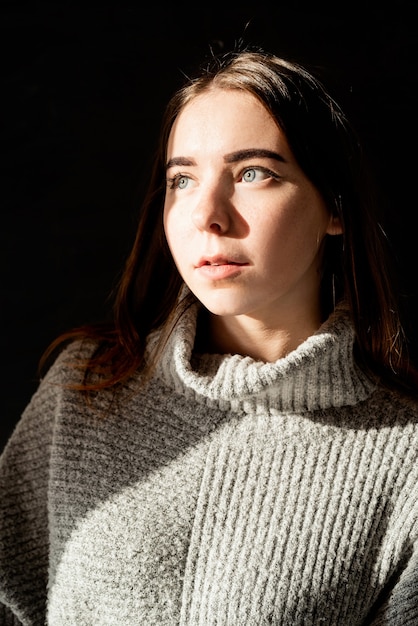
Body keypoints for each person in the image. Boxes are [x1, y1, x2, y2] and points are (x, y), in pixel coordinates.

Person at [1, 46, 417, 626]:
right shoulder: (87, 386)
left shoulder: (404, 459)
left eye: (254, 173)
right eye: (183, 179)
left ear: (335, 207)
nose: (208, 215)